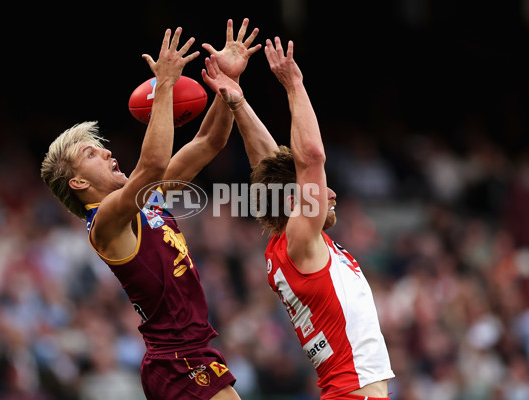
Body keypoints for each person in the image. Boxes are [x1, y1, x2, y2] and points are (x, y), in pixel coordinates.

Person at [41, 19, 260, 400]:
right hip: (178, 360)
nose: (107, 152)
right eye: (90, 154)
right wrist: (164, 86)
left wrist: (228, 84)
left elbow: (210, 141)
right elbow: (153, 165)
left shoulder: (147, 200)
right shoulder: (104, 222)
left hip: (187, 355)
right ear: (78, 184)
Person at [202, 37, 395, 399]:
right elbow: (312, 157)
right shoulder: (301, 242)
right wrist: (294, 84)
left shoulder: (288, 245)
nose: (330, 194)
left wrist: (237, 100)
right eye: (321, 191)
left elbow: (268, 166)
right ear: (296, 201)